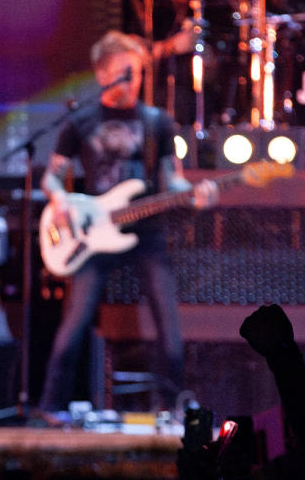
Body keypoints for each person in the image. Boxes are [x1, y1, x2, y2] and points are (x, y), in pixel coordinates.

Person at [36, 31, 217, 416]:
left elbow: (174, 179)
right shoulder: (80, 122)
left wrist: (192, 194)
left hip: (146, 229)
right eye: (123, 73)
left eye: (136, 73)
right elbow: (52, 176)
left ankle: (172, 406)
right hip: (91, 231)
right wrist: (61, 198)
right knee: (77, 319)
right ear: (103, 75)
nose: (132, 81)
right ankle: (52, 406)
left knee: (168, 318)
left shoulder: (157, 123)